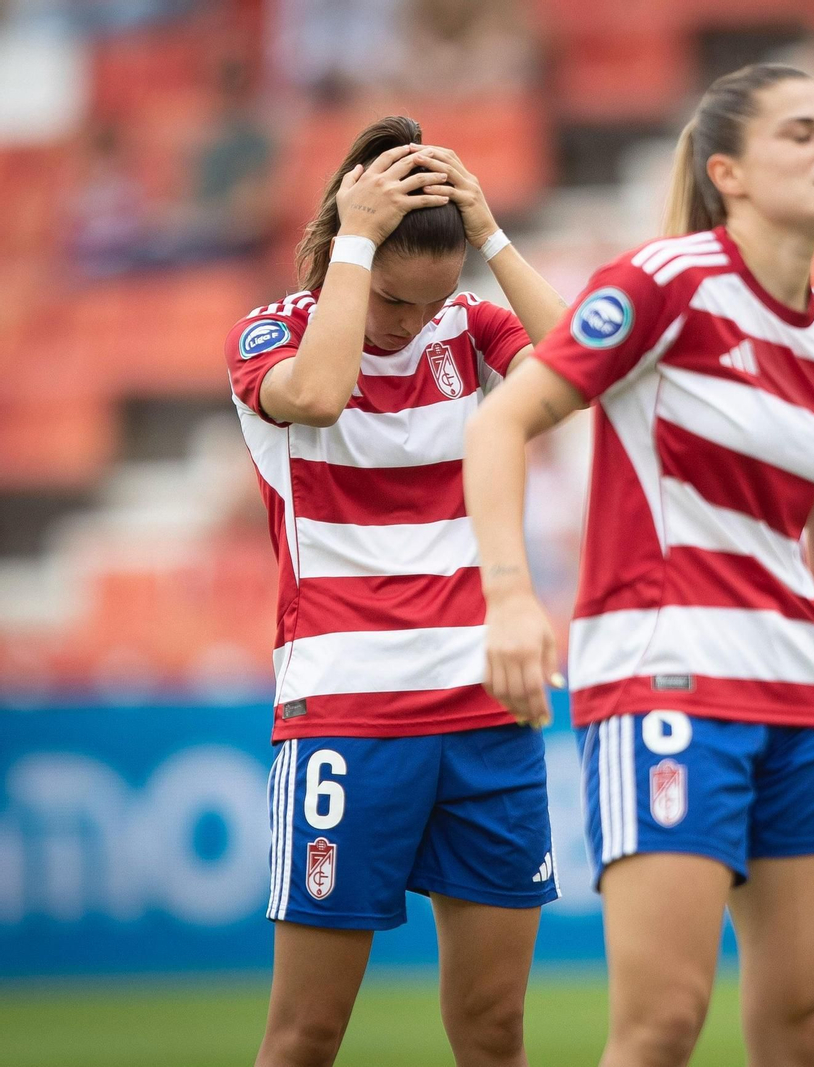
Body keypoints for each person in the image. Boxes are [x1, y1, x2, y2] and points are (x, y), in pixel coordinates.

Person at [463, 64, 814, 1067]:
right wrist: (509, 597)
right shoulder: (664, 284)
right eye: (801, 132)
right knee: (661, 1026)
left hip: (805, 707)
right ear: (727, 172)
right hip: (665, 682)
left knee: (806, 1029)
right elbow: (500, 422)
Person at [223, 115, 568, 1067]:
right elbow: (320, 394)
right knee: (306, 1033)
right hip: (349, 714)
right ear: (350, 252)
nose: (411, 322)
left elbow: (586, 374)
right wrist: (356, 243)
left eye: (432, 300)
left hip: (488, 710)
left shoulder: (472, 328)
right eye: (390, 298)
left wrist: (490, 233)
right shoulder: (270, 336)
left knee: (495, 1029)